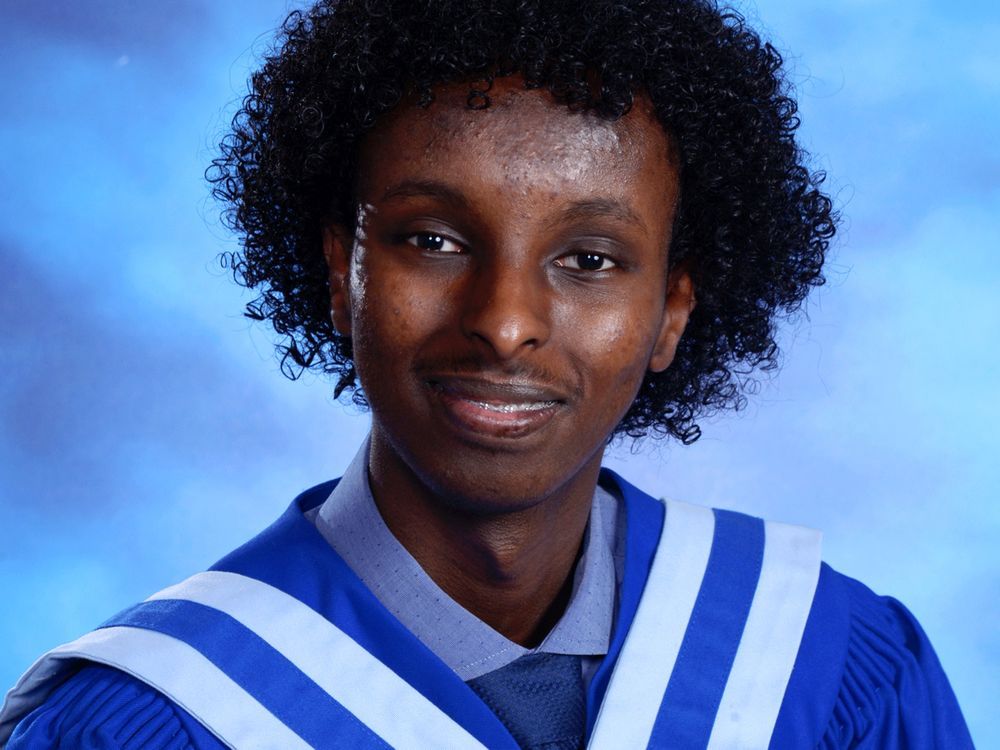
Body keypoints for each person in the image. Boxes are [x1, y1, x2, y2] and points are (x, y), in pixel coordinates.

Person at [0, 0, 974, 748]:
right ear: (341, 275)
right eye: (432, 240)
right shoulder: (153, 720)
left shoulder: (820, 663)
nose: (505, 325)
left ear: (672, 310)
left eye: (589, 258)